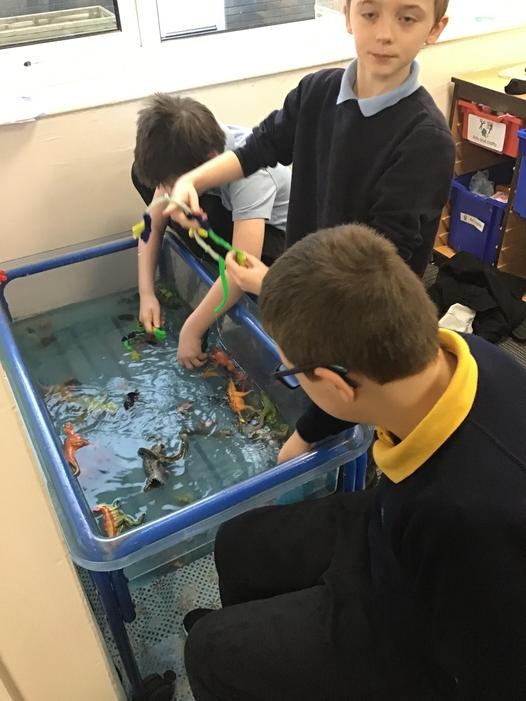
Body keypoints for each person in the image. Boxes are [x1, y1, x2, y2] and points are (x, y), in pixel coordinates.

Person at [184, 223, 526, 701]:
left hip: (419, 632)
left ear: (334, 384)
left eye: (290, 373)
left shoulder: (472, 516)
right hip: (388, 529)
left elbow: (490, 673)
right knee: (238, 541)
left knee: (208, 651)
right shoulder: (459, 351)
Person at [166, 0, 455, 451]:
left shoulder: (426, 140)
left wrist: (272, 284)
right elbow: (258, 147)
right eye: (370, 13)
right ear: (348, 15)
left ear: (434, 29)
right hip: (312, 294)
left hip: (366, 322)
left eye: (407, 17)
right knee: (305, 383)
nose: (384, 33)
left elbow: (376, 281)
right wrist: (192, 180)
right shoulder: (317, 92)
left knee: (310, 447)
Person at [132, 93, 290, 368]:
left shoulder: (252, 175)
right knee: (142, 177)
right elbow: (151, 223)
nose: (167, 191)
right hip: (231, 218)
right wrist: (146, 292)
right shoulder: (185, 150)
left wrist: (192, 329)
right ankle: (210, 264)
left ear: (210, 161)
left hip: (278, 241)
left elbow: (242, 267)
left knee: (233, 256)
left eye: (172, 184)